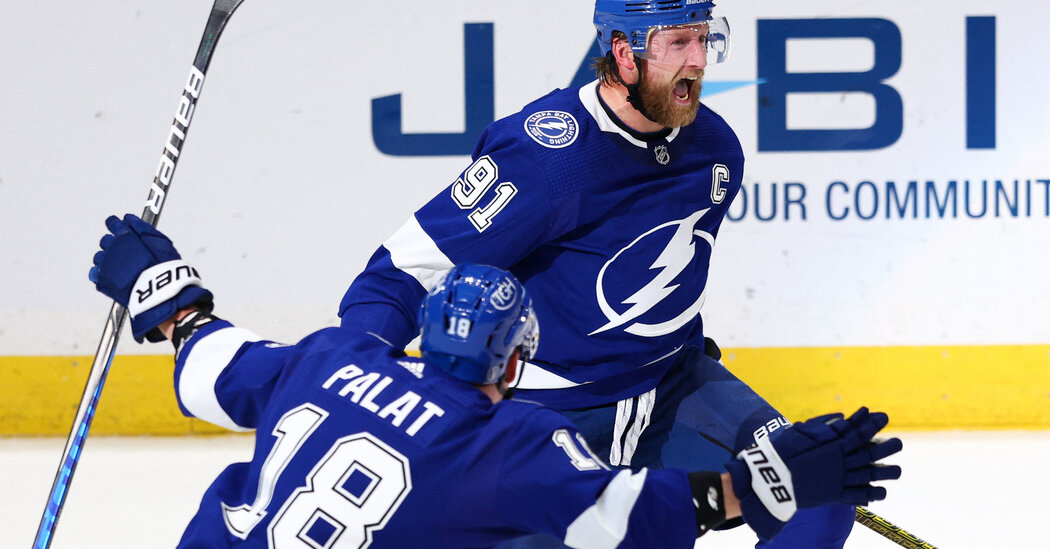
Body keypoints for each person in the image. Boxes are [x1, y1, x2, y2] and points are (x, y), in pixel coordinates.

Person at [338, 1, 854, 547]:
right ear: (623, 53)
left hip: (671, 388)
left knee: (817, 490)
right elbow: (396, 276)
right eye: (677, 43)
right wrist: (353, 378)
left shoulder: (714, 148)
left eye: (704, 39)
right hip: (548, 410)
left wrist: (673, 338)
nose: (698, 60)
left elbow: (669, 265)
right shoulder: (543, 158)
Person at [89, 214, 902, 548]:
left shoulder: (330, 357)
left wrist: (167, 294)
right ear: (515, 364)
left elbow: (208, 362)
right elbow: (641, 518)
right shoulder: (512, 445)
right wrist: (766, 483)